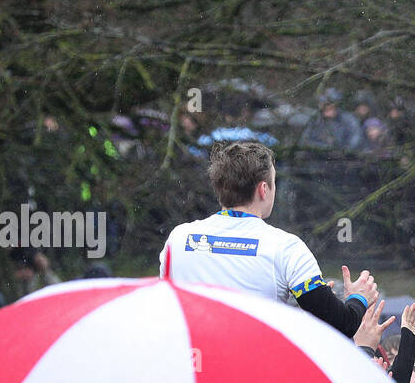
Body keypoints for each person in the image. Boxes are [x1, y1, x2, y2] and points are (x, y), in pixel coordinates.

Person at [159, 140, 376, 339]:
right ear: (263, 189)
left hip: (189, 367)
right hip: (251, 372)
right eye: (273, 182)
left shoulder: (178, 238)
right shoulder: (286, 247)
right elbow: (342, 325)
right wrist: (359, 298)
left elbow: (169, 304)